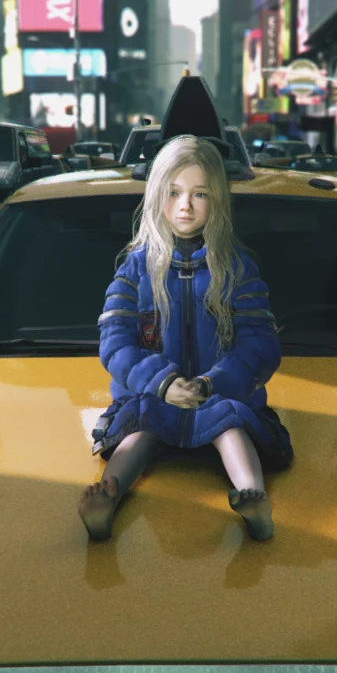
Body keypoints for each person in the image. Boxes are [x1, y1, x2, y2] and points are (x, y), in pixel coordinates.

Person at [80, 135, 291, 543]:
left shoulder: (238, 270)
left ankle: (255, 501)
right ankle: (108, 498)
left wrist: (212, 383)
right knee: (140, 428)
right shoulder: (135, 270)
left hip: (218, 397)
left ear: (218, 201)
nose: (185, 205)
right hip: (153, 399)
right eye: (174, 192)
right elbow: (115, 343)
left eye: (200, 194)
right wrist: (162, 383)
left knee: (231, 426)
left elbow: (261, 345)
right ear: (157, 196)